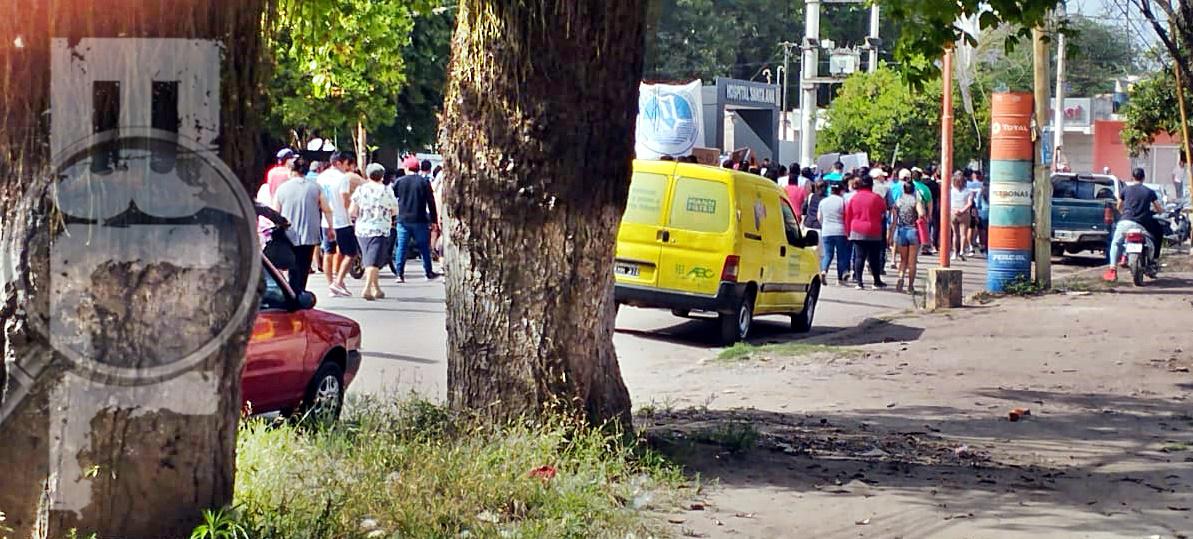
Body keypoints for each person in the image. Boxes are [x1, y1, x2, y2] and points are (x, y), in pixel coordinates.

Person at [274, 157, 335, 295]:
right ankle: (300, 291)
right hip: (310, 233)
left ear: (291, 170)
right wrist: (331, 228)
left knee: (292, 265)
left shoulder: (282, 188)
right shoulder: (315, 187)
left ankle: (292, 291)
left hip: (288, 233)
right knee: (304, 265)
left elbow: (275, 212)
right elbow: (326, 209)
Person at [1104, 168, 1166, 281]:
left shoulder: (1125, 190)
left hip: (1125, 222)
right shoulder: (1149, 192)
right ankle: (1154, 259)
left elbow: (1119, 206)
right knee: (1157, 233)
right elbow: (1158, 208)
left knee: (1116, 243)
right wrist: (1161, 211)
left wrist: (1124, 214)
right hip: (1142, 224)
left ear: (1132, 177)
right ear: (1143, 178)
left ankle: (1112, 270)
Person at [350, 163, 400, 300]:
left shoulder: (361, 190)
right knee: (373, 261)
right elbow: (395, 210)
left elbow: (352, 211)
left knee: (370, 258)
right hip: (380, 228)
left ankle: (376, 289)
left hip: (362, 229)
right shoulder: (386, 190)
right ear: (382, 176)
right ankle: (367, 288)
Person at [317, 151, 359, 296]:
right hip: (342, 221)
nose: (348, 167)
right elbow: (345, 199)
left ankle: (331, 285)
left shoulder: (321, 177)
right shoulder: (343, 178)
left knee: (328, 253)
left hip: (326, 221)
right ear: (339, 163)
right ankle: (338, 281)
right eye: (347, 163)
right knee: (350, 253)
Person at [393, 156, 440, 282]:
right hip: (420, 219)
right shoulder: (424, 182)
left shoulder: (399, 182)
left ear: (406, 168)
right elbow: (431, 202)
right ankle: (428, 272)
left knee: (401, 247)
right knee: (424, 247)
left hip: (403, 219)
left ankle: (399, 274)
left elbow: (393, 198)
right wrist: (434, 220)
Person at [844, 174, 888, 289]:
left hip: (857, 229)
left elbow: (848, 216)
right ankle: (876, 281)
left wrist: (848, 231)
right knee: (874, 257)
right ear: (871, 185)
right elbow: (883, 212)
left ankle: (859, 282)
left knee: (859, 257)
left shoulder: (854, 198)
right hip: (874, 230)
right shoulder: (877, 198)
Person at [892, 180, 926, 293]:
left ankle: (901, 277)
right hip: (913, 231)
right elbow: (921, 214)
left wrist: (891, 233)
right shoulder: (916, 201)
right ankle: (910, 286)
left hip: (901, 231)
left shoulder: (899, 201)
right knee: (912, 262)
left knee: (903, 260)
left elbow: (894, 217)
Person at [817, 182, 850, 285]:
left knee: (828, 254)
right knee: (841, 255)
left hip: (827, 230)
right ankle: (840, 279)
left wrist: (824, 224)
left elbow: (819, 217)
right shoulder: (843, 201)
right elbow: (847, 216)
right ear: (840, 191)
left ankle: (824, 270)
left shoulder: (823, 201)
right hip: (840, 230)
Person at [948, 172, 973, 261]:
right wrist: (962, 210)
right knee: (963, 234)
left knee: (955, 234)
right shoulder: (969, 191)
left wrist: (954, 210)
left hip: (953, 212)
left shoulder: (951, 191)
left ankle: (955, 252)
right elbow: (970, 203)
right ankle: (962, 251)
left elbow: (948, 202)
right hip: (964, 213)